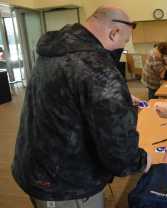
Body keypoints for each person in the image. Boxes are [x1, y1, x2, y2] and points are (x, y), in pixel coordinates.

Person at [12, 5, 151, 208]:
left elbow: (67, 94)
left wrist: (116, 97)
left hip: (34, 164)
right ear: (114, 33)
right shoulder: (96, 66)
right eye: (123, 42)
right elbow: (119, 150)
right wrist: (141, 161)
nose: (120, 50)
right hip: (66, 183)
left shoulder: (55, 50)